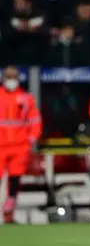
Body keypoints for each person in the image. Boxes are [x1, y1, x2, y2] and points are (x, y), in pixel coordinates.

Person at [0, 66, 42, 223]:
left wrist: (32, 138)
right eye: (9, 77)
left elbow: (35, 120)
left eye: (14, 77)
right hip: (0, 145)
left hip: (19, 145)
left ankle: (9, 213)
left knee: (15, 179)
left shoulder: (25, 98)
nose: (11, 80)